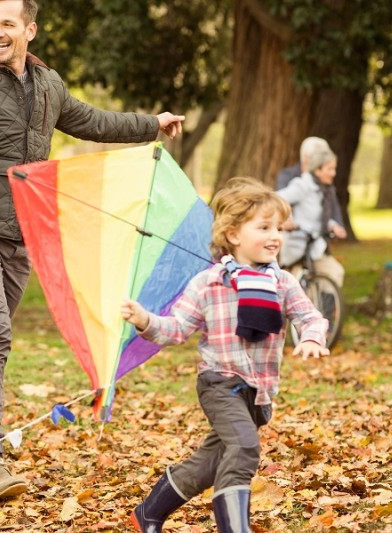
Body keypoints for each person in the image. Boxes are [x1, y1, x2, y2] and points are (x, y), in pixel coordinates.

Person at [0, 0, 186, 500]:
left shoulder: (48, 86)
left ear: (30, 29)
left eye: (8, 24)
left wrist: (151, 124)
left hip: (21, 232)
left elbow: (94, 121)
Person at [121, 177, 329, 532]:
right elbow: (177, 329)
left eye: (278, 227)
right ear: (233, 234)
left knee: (211, 461)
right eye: (264, 227)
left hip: (258, 392)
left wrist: (311, 337)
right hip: (219, 383)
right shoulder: (209, 282)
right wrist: (145, 320)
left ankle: (149, 513)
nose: (275, 235)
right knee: (244, 448)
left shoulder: (283, 282)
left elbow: (311, 317)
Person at [277, 148, 346, 287]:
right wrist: (285, 219)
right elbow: (277, 199)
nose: (334, 173)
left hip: (315, 246)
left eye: (334, 169)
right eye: (330, 169)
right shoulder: (302, 185)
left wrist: (333, 225)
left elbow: (317, 217)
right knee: (294, 285)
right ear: (317, 170)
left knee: (335, 272)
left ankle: (326, 308)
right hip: (298, 247)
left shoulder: (324, 190)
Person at [275, 136, 343, 228]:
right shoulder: (293, 179)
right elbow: (280, 199)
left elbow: (332, 206)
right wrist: (287, 218)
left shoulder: (323, 182)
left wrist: (337, 225)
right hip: (296, 235)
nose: (332, 173)